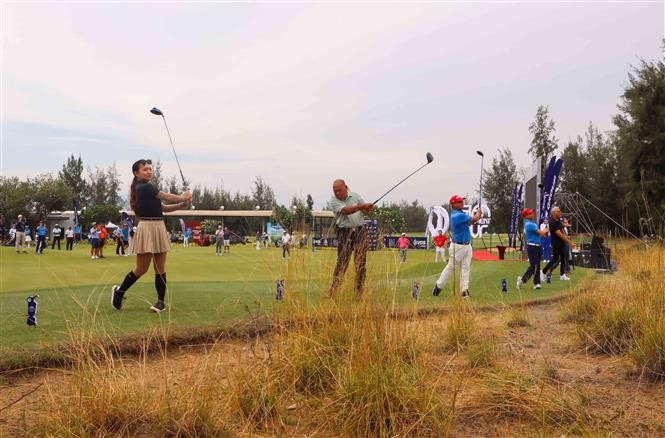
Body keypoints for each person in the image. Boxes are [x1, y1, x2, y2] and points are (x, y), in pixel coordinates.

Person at [111, 159, 191, 313]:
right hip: (147, 228)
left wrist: (182, 205)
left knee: (160, 268)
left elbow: (163, 208)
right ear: (136, 173)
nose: (149, 171)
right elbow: (166, 196)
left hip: (159, 226)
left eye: (150, 169)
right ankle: (119, 292)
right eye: (145, 169)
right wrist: (183, 197)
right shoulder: (144, 187)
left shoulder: (147, 188)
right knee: (141, 269)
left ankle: (160, 302)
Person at [432, 195, 482, 300]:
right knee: (451, 267)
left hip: (467, 245)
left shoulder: (460, 214)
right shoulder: (457, 216)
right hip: (458, 246)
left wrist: (477, 217)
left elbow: (471, 222)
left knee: (466, 268)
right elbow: (475, 219)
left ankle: (464, 291)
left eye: (462, 201)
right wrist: (478, 213)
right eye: (459, 202)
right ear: (454, 204)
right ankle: (438, 286)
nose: (462, 203)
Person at [328, 179, 373, 295]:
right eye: (335, 191)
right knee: (342, 262)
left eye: (339, 190)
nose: (337, 193)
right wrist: (362, 206)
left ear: (346, 187)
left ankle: (359, 291)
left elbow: (366, 212)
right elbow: (346, 211)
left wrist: (368, 209)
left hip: (360, 231)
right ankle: (334, 290)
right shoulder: (333, 201)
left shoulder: (356, 196)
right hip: (344, 232)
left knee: (361, 263)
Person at [516, 208, 549, 290]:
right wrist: (546, 228)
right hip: (532, 246)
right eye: (530, 213)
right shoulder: (529, 224)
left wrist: (545, 232)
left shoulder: (531, 223)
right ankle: (522, 280)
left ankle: (537, 283)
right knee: (533, 266)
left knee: (537, 265)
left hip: (537, 246)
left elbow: (541, 235)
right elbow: (541, 233)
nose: (532, 214)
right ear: (526, 216)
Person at [542, 206, 575, 281]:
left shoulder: (558, 220)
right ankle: (543, 272)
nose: (560, 212)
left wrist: (566, 238)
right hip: (556, 243)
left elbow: (562, 230)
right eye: (558, 211)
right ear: (554, 213)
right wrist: (570, 242)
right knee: (555, 258)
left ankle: (562, 275)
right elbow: (559, 234)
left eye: (560, 211)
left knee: (563, 258)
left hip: (562, 242)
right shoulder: (552, 222)